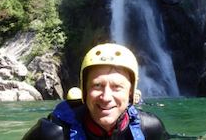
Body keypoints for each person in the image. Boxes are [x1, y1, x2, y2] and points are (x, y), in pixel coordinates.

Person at [22, 43, 170, 139]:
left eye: (117, 87)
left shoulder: (150, 129)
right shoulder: (51, 133)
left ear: (131, 93)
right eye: (97, 85)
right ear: (84, 90)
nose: (106, 97)